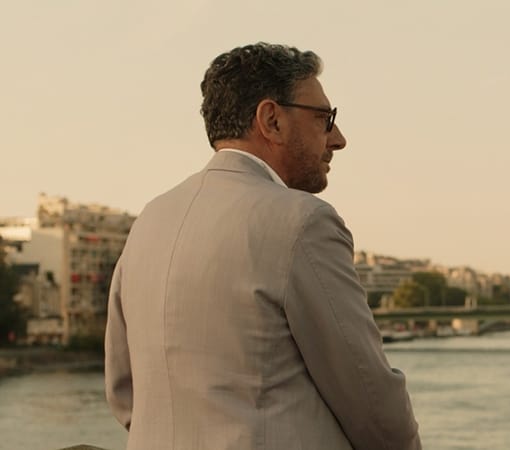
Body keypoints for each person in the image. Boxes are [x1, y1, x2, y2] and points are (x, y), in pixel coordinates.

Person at [104, 43, 421, 450]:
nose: (338, 139)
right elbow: (370, 398)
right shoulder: (302, 220)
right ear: (271, 119)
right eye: (325, 119)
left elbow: (122, 391)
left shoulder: (150, 219)